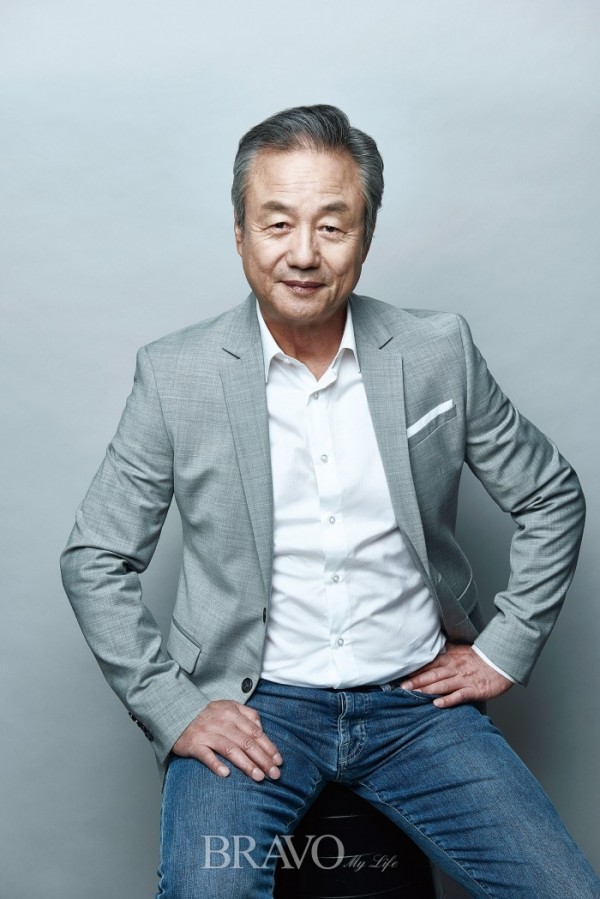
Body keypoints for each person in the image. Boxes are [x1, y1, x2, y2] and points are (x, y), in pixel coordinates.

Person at [60, 104, 599, 898]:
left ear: (365, 237)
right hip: (255, 707)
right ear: (239, 233)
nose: (304, 253)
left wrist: (503, 649)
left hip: (416, 704)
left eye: (332, 226)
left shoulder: (437, 351)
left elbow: (551, 494)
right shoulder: (176, 375)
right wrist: (175, 706)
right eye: (277, 223)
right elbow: (94, 558)